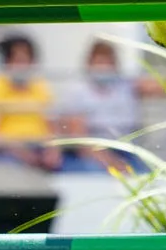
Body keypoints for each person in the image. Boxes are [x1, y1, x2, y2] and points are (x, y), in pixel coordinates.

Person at [0, 34, 60, 170]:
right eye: (18, 60)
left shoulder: (41, 85)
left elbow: (52, 127)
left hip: (38, 147)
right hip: (4, 150)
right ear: (6, 61)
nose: (23, 65)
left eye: (27, 60)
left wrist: (53, 151)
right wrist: (23, 153)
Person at [61, 40, 143, 172]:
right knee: (95, 174)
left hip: (125, 150)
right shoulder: (77, 92)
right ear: (89, 64)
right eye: (99, 63)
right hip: (92, 153)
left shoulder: (125, 86)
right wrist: (113, 163)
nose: (103, 68)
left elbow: (161, 86)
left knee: (145, 173)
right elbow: (81, 141)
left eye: (107, 63)